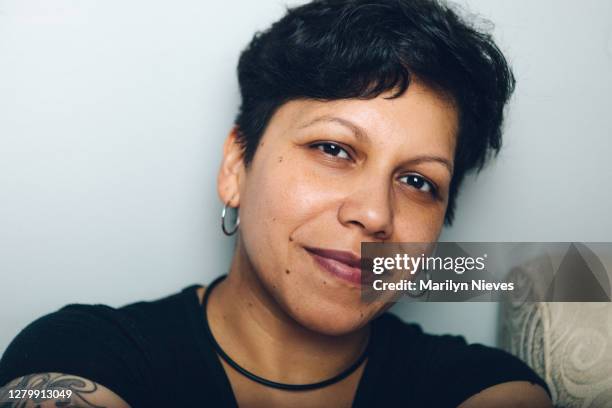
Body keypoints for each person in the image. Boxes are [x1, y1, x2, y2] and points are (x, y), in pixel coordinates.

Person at [0, 0, 553, 406]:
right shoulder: (79, 356)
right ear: (237, 166)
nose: (376, 214)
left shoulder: (486, 389)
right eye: (333, 149)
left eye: (417, 182)